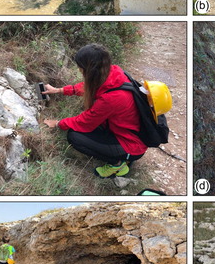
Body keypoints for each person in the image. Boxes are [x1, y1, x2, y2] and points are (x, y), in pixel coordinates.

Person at [42, 44, 147, 178]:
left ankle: (118, 164)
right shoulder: (114, 73)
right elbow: (90, 87)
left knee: (74, 137)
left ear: (89, 70)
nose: (79, 70)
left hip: (130, 145)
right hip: (124, 130)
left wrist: (58, 123)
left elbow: (86, 122)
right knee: (83, 129)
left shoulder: (112, 98)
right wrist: (59, 90)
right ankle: (118, 155)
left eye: (80, 67)